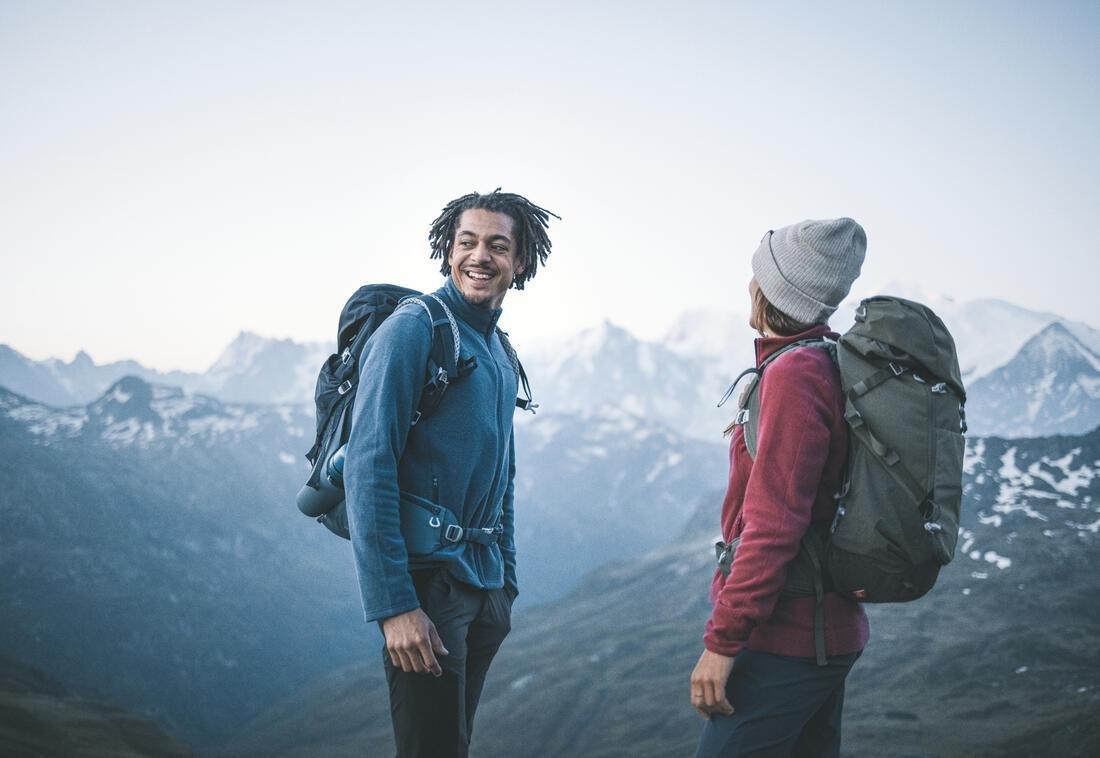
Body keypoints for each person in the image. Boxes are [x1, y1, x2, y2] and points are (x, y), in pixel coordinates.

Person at [343, 189, 557, 758]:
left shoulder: (499, 351)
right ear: (447, 249)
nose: (479, 256)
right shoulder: (413, 331)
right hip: (423, 590)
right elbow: (369, 466)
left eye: (496, 245)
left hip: (480, 588)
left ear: (520, 261)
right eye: (467, 242)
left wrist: (503, 587)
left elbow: (501, 474)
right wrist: (393, 606)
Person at [691, 218, 870, 757]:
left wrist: (722, 644)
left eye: (756, 274)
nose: (749, 283)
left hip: (789, 638)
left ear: (771, 289)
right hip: (820, 631)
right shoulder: (828, 360)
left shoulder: (795, 376)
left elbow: (772, 525)